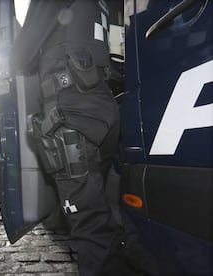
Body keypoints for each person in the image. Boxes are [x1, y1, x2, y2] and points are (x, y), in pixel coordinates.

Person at [9, 1, 158, 275]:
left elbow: (20, 56)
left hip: (72, 109)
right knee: (103, 206)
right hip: (103, 104)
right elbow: (118, 53)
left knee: (89, 222)